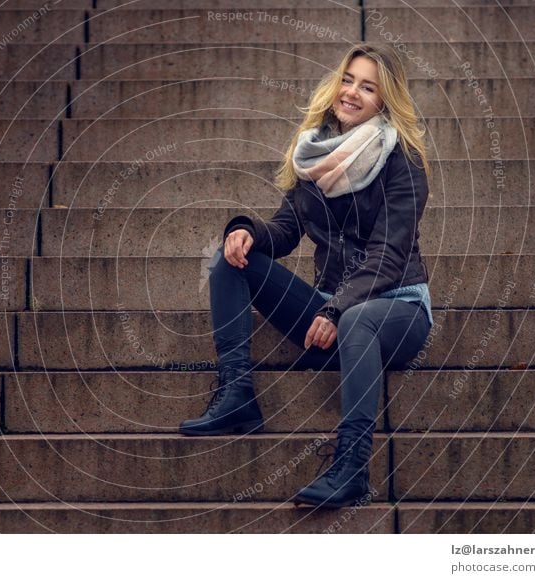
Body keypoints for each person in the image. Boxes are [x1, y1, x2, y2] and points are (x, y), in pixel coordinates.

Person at [178, 43, 434, 509]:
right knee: (230, 259)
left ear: (385, 99)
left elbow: (388, 256)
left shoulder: (403, 160)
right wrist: (245, 232)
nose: (352, 92)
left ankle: (352, 467)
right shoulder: (315, 155)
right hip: (330, 311)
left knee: (359, 319)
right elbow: (286, 229)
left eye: (368, 87)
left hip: (396, 308)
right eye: (348, 80)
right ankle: (236, 392)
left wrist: (338, 306)